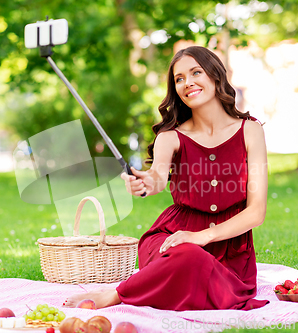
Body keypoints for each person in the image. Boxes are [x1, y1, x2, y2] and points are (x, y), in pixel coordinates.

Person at [64, 46, 269, 311]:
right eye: (179, 79)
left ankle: (126, 291)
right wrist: (145, 183)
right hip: (171, 238)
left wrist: (202, 236)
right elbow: (157, 178)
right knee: (187, 257)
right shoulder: (170, 137)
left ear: (216, 76)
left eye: (196, 72)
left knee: (197, 262)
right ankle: (120, 294)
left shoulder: (250, 131)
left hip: (230, 249)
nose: (188, 83)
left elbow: (257, 212)